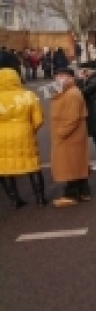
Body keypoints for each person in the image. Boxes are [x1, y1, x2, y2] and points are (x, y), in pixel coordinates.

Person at [0, 64, 47, 208]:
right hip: (24, 131)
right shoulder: (28, 95)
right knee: (32, 166)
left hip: (2, 134)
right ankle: (40, 198)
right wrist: (30, 129)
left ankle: (15, 200)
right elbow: (39, 119)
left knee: (5, 168)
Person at [49, 67, 91, 207]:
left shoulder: (72, 94)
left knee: (70, 165)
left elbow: (72, 118)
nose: (59, 79)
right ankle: (84, 192)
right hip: (71, 136)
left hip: (69, 136)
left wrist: (60, 133)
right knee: (75, 164)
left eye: (63, 76)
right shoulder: (63, 91)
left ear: (71, 78)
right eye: (57, 76)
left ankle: (71, 194)